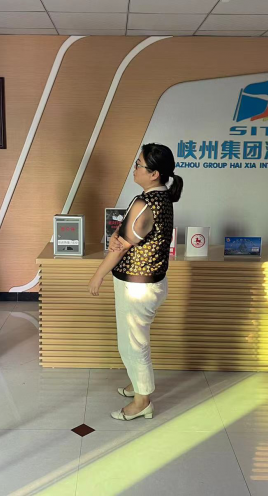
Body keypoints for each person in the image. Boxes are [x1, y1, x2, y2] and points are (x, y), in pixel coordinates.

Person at [88, 143, 183, 421]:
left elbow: (120, 248)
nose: (135, 168)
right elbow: (124, 234)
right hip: (149, 282)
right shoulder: (160, 197)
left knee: (133, 344)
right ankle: (137, 384)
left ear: (154, 174)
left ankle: (143, 402)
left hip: (138, 286)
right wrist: (117, 236)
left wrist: (98, 274)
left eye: (139, 165)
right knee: (132, 340)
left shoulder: (145, 203)